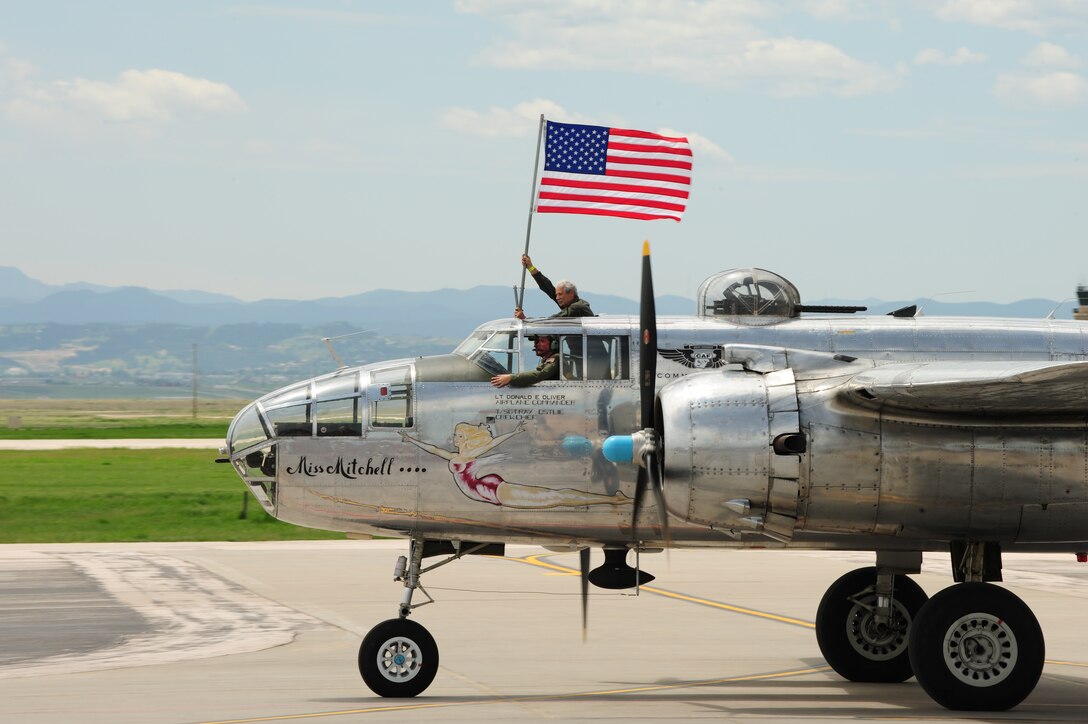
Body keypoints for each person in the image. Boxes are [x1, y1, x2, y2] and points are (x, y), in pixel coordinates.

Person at [399, 420, 629, 508]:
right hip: (487, 491)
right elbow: (433, 449)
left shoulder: (471, 454)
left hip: (491, 490)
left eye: (458, 436)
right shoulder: (456, 457)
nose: (454, 439)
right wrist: (411, 439)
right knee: (553, 497)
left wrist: (514, 433)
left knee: (554, 497)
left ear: (466, 439)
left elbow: (494, 443)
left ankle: (612, 499)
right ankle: (612, 499)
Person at [514, 254, 594, 319]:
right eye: (556, 295)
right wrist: (530, 267)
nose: (557, 297)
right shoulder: (569, 303)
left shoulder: (577, 307)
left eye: (560, 294)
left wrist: (525, 319)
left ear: (571, 293)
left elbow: (552, 321)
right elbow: (547, 287)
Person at [491, 335, 559, 388]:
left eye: (542, 341)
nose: (536, 345)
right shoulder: (547, 359)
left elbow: (541, 374)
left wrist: (511, 378)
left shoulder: (556, 358)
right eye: (536, 341)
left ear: (554, 344)